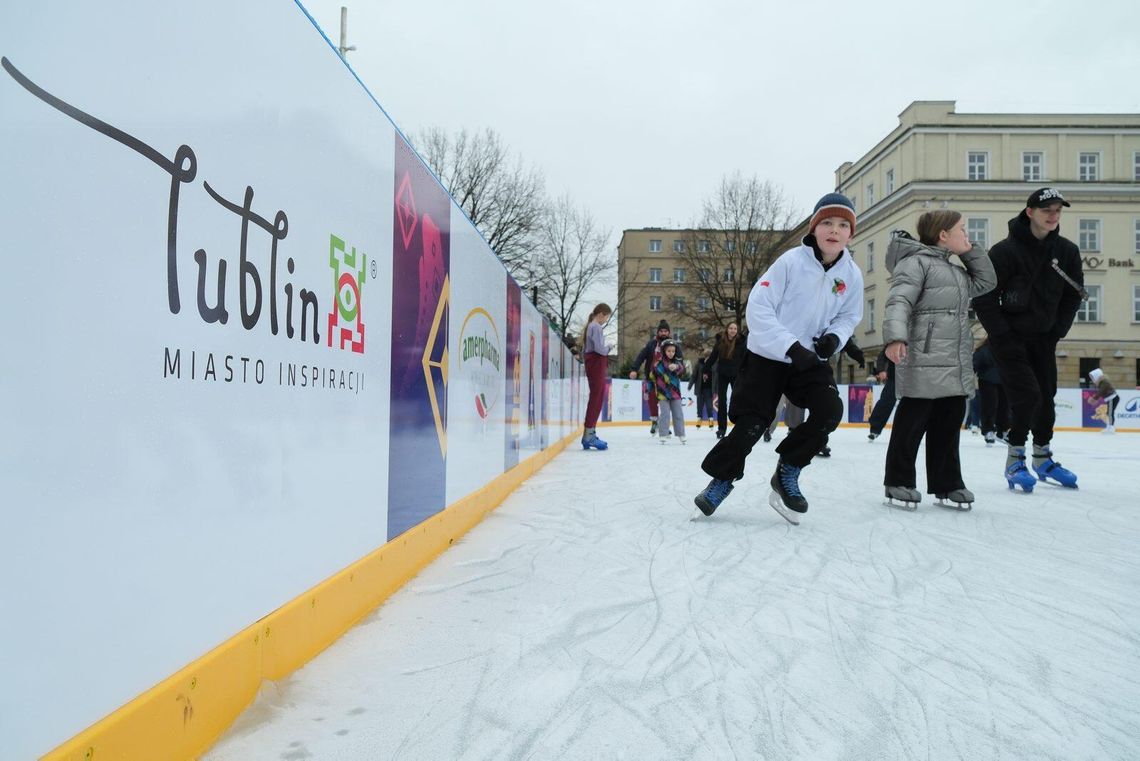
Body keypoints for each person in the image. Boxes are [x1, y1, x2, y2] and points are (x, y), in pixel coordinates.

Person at [694, 192, 863, 524]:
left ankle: (788, 468)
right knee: (752, 425)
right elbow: (758, 308)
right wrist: (790, 346)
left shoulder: (852, 275)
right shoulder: (790, 263)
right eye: (827, 223)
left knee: (830, 410)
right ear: (814, 228)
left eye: (843, 225)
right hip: (768, 355)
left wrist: (834, 338)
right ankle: (722, 480)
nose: (834, 230)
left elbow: (849, 316)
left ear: (850, 234)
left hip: (810, 360)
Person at [880, 214, 997, 510]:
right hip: (923, 357)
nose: (967, 235)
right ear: (943, 235)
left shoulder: (956, 271)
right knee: (912, 421)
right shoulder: (915, 263)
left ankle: (948, 482)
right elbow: (899, 301)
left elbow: (986, 282)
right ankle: (898, 480)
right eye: (962, 230)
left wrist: (969, 252)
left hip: (954, 359)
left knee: (949, 420)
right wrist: (895, 338)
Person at [972, 188, 1085, 492]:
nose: (1053, 215)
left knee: (1046, 396)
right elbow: (983, 298)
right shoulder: (1003, 252)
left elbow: (1074, 294)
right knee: (1027, 395)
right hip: (1009, 339)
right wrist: (1002, 334)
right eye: (1047, 209)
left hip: (1044, 338)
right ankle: (1015, 459)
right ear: (1030, 212)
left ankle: (1043, 458)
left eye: (1058, 210)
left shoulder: (1067, 251)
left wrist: (1058, 329)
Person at [630, 320, 682, 435]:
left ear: (669, 332)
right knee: (652, 399)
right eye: (661, 331)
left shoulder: (674, 345)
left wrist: (678, 369)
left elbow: (680, 360)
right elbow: (641, 356)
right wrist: (634, 369)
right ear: (658, 332)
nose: (663, 333)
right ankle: (654, 422)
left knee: (665, 402)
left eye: (665, 331)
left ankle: (664, 425)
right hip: (652, 377)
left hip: (667, 379)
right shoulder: (651, 344)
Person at [705, 322, 746, 439]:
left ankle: (739, 427)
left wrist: (746, 372)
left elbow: (745, 358)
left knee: (737, 401)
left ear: (737, 331)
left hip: (736, 375)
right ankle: (721, 429)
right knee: (722, 402)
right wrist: (706, 371)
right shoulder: (720, 342)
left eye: (735, 329)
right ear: (727, 329)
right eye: (731, 328)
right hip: (722, 374)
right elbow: (713, 357)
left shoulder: (741, 342)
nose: (733, 330)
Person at [581, 303, 612, 450]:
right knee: (596, 397)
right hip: (595, 363)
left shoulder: (592, 326)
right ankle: (589, 435)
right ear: (601, 314)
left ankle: (590, 432)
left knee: (597, 397)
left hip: (594, 363)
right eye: (606, 317)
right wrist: (609, 347)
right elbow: (600, 349)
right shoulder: (596, 327)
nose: (606, 320)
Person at [972, 338, 1009, 445]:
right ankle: (989, 430)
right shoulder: (984, 349)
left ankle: (1003, 430)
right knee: (989, 406)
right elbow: (975, 362)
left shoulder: (1007, 347)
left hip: (1003, 381)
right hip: (988, 381)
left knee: (1004, 407)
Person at [654, 339, 687, 443]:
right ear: (664, 351)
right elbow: (654, 373)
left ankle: (681, 434)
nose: (671, 353)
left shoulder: (677, 363)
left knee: (678, 414)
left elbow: (682, 369)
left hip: (675, 393)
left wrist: (676, 367)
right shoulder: (658, 363)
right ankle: (663, 434)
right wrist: (667, 367)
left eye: (673, 351)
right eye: (668, 351)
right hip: (663, 393)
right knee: (665, 414)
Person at [866, 348, 896, 441]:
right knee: (886, 401)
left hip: (916, 376)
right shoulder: (896, 340)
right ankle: (875, 429)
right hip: (895, 376)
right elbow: (883, 355)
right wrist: (881, 370)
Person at [688, 352, 716, 428]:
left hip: (709, 390)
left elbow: (716, 377)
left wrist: (716, 388)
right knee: (699, 406)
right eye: (707, 357)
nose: (708, 359)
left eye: (710, 358)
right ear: (704, 357)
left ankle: (710, 419)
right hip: (700, 389)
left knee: (709, 406)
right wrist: (690, 385)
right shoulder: (699, 364)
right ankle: (699, 419)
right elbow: (694, 375)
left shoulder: (714, 365)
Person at [1087, 368, 1119, 433]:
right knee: (1108, 413)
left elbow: (1100, 392)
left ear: (1097, 376)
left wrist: (1093, 399)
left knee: (1110, 413)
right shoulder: (1101, 382)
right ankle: (1109, 427)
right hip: (1110, 399)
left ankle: (1111, 428)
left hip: (1112, 398)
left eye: (1093, 377)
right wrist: (1094, 398)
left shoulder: (1104, 382)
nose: (1092, 379)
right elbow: (1100, 392)